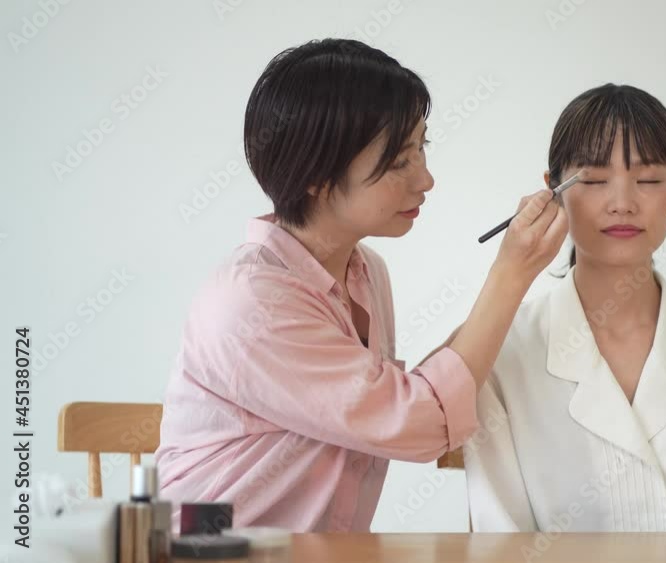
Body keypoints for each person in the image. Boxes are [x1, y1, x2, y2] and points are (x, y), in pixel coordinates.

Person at [154, 38, 568, 532]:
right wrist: (513, 272)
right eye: (399, 162)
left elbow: (403, 397)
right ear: (315, 175)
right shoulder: (252, 302)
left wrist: (511, 274)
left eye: (422, 149)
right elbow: (419, 421)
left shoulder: (365, 271)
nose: (426, 180)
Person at [464, 84, 666, 532]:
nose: (622, 203)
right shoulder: (502, 351)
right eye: (593, 181)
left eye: (648, 180)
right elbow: (499, 542)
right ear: (553, 191)